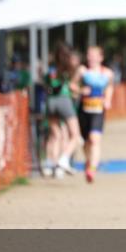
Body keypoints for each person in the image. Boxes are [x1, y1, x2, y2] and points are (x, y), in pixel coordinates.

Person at [73, 45, 115, 183]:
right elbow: (72, 85)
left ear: (101, 58)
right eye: (89, 55)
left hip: (98, 110)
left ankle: (92, 169)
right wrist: (80, 90)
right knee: (86, 142)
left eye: (94, 55)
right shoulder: (82, 71)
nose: (90, 58)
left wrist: (108, 99)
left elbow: (110, 87)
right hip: (83, 110)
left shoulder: (108, 73)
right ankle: (88, 161)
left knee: (94, 139)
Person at [44, 43, 82, 179]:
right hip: (64, 101)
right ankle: (63, 160)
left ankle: (50, 165)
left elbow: (46, 84)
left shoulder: (51, 70)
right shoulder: (69, 69)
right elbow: (72, 87)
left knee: (55, 135)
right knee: (75, 135)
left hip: (50, 102)